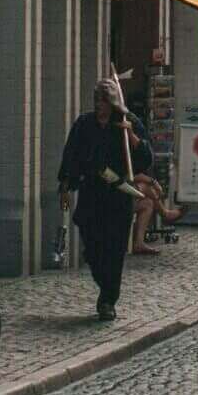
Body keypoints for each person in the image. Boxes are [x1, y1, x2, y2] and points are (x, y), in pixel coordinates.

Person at [57, 78, 151, 321]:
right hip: (91, 193)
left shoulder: (127, 124)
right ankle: (104, 285)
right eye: (96, 100)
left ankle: (108, 299)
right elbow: (71, 154)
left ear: (112, 103)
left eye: (103, 100)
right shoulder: (84, 124)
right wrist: (66, 185)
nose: (98, 105)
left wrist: (131, 136)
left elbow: (146, 159)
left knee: (115, 250)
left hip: (118, 196)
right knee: (93, 248)